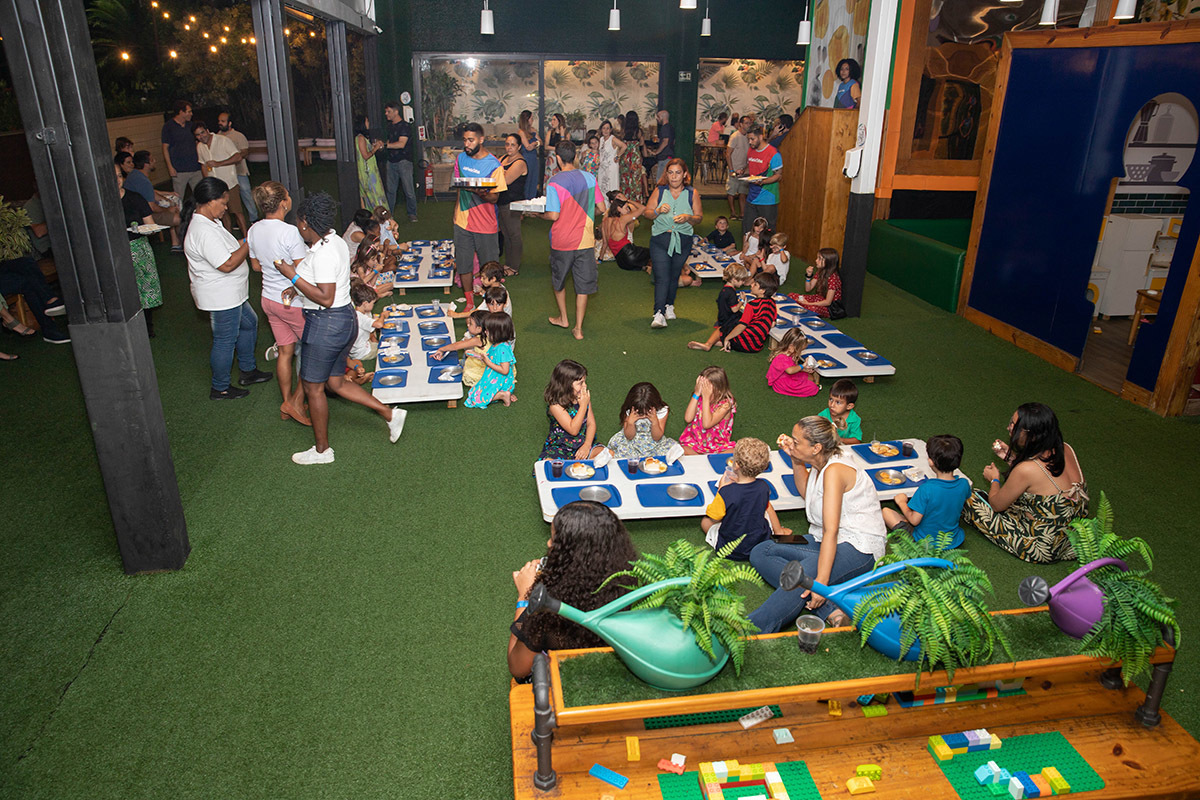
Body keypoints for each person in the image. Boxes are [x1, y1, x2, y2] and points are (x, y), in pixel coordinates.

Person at [272, 192, 407, 464]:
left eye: (299, 222)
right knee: (334, 382)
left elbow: (325, 296)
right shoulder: (332, 240)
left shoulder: (322, 252)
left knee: (312, 387)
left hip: (326, 323)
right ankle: (390, 414)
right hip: (344, 318)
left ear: (306, 223)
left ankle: (322, 451)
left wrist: (292, 275)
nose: (299, 227)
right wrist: (296, 286)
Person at [750, 415, 887, 631]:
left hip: (859, 547)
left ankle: (750, 628)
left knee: (802, 573)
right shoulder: (820, 461)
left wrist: (821, 581)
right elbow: (808, 493)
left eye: (796, 442)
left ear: (816, 448)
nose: (790, 444)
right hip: (821, 540)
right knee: (761, 549)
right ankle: (832, 609)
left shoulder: (835, 471)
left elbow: (831, 530)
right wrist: (796, 461)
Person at [508, 501, 637, 680]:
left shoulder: (548, 611)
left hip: (568, 683)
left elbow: (517, 668)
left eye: (554, 539)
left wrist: (524, 596)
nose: (548, 542)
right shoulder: (634, 583)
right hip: (613, 672)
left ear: (568, 554)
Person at [962, 403, 1088, 563]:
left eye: (1014, 425)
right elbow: (1041, 476)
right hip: (1072, 539)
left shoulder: (1026, 469)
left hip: (1042, 546)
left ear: (1032, 435)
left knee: (967, 495)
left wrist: (994, 479)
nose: (1008, 428)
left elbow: (996, 505)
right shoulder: (1065, 448)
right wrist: (1010, 457)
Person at [181, 177, 271, 399]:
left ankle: (248, 371)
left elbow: (229, 250)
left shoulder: (211, 223)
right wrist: (249, 242)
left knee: (249, 324)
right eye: (223, 203)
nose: (226, 208)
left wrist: (245, 241)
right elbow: (227, 264)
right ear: (210, 201)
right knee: (225, 340)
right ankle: (220, 387)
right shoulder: (202, 230)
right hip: (221, 295)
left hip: (232, 293)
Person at [247, 181, 312, 425]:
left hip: (268, 299)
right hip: (292, 301)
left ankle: (287, 403)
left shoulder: (253, 230)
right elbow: (301, 269)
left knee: (285, 352)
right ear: (284, 202)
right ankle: (296, 402)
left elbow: (255, 265)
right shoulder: (289, 231)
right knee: (311, 350)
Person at [541, 140, 606, 341]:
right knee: (583, 285)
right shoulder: (589, 178)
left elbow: (552, 215)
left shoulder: (554, 181)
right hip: (586, 240)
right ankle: (578, 328)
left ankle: (563, 318)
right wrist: (587, 213)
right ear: (575, 156)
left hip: (562, 241)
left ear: (558, 158)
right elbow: (602, 209)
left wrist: (537, 215)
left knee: (559, 281)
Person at [702, 437, 789, 561]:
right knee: (767, 507)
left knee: (705, 522)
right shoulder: (763, 487)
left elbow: (715, 517)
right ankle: (779, 530)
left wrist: (721, 489)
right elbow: (765, 506)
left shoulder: (726, 492)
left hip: (730, 549)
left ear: (736, 465)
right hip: (759, 543)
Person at [882, 434, 971, 550]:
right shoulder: (964, 484)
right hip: (952, 540)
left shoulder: (927, 488)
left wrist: (902, 502)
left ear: (931, 462)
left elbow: (914, 520)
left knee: (886, 512)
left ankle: (912, 547)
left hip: (924, 543)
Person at [453, 123, 507, 308]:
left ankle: (493, 305)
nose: (466, 144)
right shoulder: (460, 159)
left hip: (486, 224)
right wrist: (456, 215)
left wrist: (478, 191)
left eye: (471, 140)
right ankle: (469, 303)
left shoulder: (494, 164)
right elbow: (459, 187)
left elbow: (494, 198)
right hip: (463, 222)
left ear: (481, 140)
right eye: (465, 140)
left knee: (490, 268)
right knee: (464, 264)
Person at [644, 158, 702, 329]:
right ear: (666, 175)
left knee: (674, 275)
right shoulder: (659, 191)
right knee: (662, 277)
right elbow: (647, 213)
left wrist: (689, 218)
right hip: (660, 240)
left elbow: (699, 217)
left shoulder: (692, 193)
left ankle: (669, 305)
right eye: (671, 173)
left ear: (684, 175)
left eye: (678, 173)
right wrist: (657, 211)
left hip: (683, 240)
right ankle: (659, 313)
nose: (674, 177)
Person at [114, 163, 164, 337]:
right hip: (115, 253)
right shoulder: (100, 202)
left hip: (138, 247)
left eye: (120, 176)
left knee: (145, 289)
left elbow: (150, 224)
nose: (117, 180)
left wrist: (146, 229)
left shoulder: (134, 198)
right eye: (113, 177)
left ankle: (147, 327)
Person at [194, 121, 247, 234]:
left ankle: (248, 240)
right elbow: (203, 165)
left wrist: (219, 163)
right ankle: (228, 239)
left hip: (229, 183)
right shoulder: (200, 146)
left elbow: (238, 157)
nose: (201, 136)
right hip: (214, 187)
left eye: (202, 132)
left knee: (237, 212)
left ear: (207, 131)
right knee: (222, 214)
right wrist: (206, 182)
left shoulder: (223, 140)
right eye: (197, 135)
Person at [603, 382, 678, 459]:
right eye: (640, 412)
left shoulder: (662, 411)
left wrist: (655, 422)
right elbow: (629, 436)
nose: (643, 415)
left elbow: (657, 437)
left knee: (669, 454)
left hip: (654, 444)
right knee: (623, 456)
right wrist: (630, 422)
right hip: (631, 443)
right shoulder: (629, 410)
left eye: (647, 411)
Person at [539, 359, 597, 460]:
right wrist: (583, 406)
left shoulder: (583, 398)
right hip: (562, 446)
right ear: (566, 385)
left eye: (585, 381)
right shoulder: (555, 405)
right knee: (549, 464)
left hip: (583, 443)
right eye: (580, 383)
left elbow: (591, 423)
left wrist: (587, 445)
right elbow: (573, 430)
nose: (585, 386)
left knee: (609, 454)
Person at [125, 150, 182, 250]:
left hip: (133, 213)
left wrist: (167, 200)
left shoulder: (134, 175)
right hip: (142, 217)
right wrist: (168, 210)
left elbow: (151, 193)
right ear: (146, 164)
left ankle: (175, 242)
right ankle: (181, 243)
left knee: (172, 203)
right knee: (179, 218)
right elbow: (152, 207)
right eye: (152, 160)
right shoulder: (143, 181)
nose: (155, 161)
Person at [687, 263, 750, 352]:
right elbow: (735, 309)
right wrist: (742, 301)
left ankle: (713, 343)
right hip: (730, 318)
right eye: (742, 280)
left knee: (720, 331)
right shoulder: (731, 292)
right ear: (735, 279)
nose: (743, 283)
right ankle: (710, 344)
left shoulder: (725, 289)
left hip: (722, 316)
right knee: (743, 324)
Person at [679, 365, 736, 455]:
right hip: (696, 442)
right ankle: (704, 458)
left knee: (735, 453)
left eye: (706, 387)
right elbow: (688, 418)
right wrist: (696, 393)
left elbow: (706, 424)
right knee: (680, 451)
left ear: (719, 389)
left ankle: (705, 458)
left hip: (717, 445)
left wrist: (706, 397)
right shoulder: (699, 396)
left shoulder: (726, 404)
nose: (703, 390)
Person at [465, 311, 516, 408]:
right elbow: (492, 357)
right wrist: (477, 355)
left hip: (500, 380)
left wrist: (487, 362)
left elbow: (505, 371)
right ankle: (503, 393)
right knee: (473, 391)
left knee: (476, 400)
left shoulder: (502, 349)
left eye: (488, 331)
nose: (485, 332)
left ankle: (503, 395)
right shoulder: (498, 344)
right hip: (494, 377)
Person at [720, 271, 779, 354]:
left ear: (762, 291)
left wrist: (727, 338)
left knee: (727, 326)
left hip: (745, 344)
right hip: (758, 345)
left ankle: (714, 343)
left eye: (755, 284)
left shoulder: (752, 305)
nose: (751, 285)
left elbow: (742, 326)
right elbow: (772, 324)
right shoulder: (772, 302)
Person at [496, 133, 529, 277]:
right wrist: (500, 172)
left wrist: (499, 172)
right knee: (506, 234)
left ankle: (514, 267)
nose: (509, 147)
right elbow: (493, 172)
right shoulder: (503, 158)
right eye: (507, 144)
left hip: (513, 203)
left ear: (519, 146)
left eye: (513, 145)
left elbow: (506, 180)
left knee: (514, 235)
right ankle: (508, 263)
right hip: (501, 202)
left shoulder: (520, 162)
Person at [743, 124, 783, 242]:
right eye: (748, 139)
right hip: (751, 196)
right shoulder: (751, 150)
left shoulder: (773, 153)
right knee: (747, 228)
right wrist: (742, 171)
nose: (750, 142)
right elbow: (750, 168)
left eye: (752, 139)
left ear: (760, 137)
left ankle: (767, 257)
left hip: (768, 198)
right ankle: (746, 255)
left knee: (767, 232)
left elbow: (778, 176)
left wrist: (763, 181)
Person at [431, 308, 488, 388]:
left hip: (484, 368)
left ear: (479, 328)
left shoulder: (478, 339)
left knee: (467, 373)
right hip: (487, 363)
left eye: (470, 324)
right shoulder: (488, 335)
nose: (468, 325)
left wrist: (441, 349)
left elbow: (457, 345)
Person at [217, 111, 257, 223]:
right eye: (219, 121)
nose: (220, 123)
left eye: (223, 121)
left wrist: (234, 157)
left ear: (229, 123)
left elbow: (245, 152)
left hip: (240, 171)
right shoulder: (216, 137)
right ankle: (235, 221)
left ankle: (254, 218)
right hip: (224, 174)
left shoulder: (238, 136)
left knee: (246, 194)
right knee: (228, 198)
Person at [383, 101, 418, 222]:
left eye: (389, 112)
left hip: (404, 161)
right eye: (386, 112)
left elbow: (401, 144)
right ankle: (389, 215)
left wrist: (385, 145)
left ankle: (412, 213)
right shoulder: (390, 126)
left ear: (396, 112)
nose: (386, 114)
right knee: (390, 191)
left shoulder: (405, 126)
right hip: (391, 161)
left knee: (409, 190)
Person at [161, 99, 202, 200]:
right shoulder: (168, 127)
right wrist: (170, 167)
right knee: (179, 198)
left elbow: (198, 143)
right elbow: (165, 148)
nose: (191, 114)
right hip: (179, 170)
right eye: (188, 112)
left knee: (200, 195)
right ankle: (180, 215)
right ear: (181, 112)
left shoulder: (191, 125)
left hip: (195, 168)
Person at [602, 191, 650, 273]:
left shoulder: (606, 220)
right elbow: (643, 208)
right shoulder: (623, 219)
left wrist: (600, 259)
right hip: (630, 255)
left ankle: (645, 267)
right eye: (626, 208)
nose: (628, 210)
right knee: (654, 252)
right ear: (619, 208)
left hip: (622, 263)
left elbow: (605, 242)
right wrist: (628, 200)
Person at [766, 328, 820, 398]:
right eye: (799, 350)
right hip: (782, 382)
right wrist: (803, 365)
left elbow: (792, 367)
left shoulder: (789, 353)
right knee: (813, 387)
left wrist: (803, 369)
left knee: (810, 377)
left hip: (788, 376)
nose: (799, 352)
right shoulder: (781, 357)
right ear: (791, 346)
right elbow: (790, 370)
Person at [346, 278, 380, 385]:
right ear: (365, 303)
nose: (373, 306)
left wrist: (356, 367)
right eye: (373, 303)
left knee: (357, 364)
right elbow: (379, 325)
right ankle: (355, 381)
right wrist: (383, 316)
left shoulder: (357, 312)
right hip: (363, 351)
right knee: (387, 348)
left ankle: (355, 380)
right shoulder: (359, 316)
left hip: (356, 352)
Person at [795, 247, 842, 317]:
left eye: (820, 259)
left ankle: (804, 306)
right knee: (792, 296)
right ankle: (803, 306)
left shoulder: (833, 278)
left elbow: (828, 302)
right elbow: (808, 289)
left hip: (829, 307)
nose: (816, 260)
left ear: (828, 262)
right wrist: (808, 276)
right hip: (819, 298)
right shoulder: (820, 271)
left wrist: (808, 304)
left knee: (812, 308)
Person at [354, 114, 388, 212]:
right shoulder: (360, 138)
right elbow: (365, 155)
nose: (369, 123)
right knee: (374, 194)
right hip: (367, 172)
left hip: (367, 171)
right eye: (367, 121)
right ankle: (380, 215)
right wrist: (376, 148)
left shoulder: (362, 138)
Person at [618, 111, 648, 204]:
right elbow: (642, 143)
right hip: (635, 156)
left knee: (625, 178)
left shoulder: (624, 130)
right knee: (635, 179)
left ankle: (625, 199)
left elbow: (620, 142)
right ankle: (636, 200)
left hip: (625, 156)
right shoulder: (638, 131)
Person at [820, 379, 862, 443]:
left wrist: (840, 440)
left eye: (838, 402)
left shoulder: (854, 419)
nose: (832, 405)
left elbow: (857, 440)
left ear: (849, 406)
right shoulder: (823, 415)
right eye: (831, 399)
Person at [725, 115, 751, 219]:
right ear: (741, 124)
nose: (749, 125)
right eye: (747, 123)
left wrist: (746, 168)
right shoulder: (735, 136)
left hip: (744, 169)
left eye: (750, 123)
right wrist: (731, 169)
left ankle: (742, 214)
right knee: (731, 191)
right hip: (734, 168)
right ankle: (733, 212)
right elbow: (728, 154)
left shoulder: (749, 137)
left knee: (742, 192)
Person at [596, 119, 626, 198]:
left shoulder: (612, 139)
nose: (605, 130)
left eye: (607, 128)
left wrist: (618, 156)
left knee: (611, 186)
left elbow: (624, 146)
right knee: (602, 187)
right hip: (602, 167)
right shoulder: (601, 139)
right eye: (604, 128)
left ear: (610, 130)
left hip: (611, 167)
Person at [516, 110, 542, 200]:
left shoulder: (533, 130)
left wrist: (535, 143)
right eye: (531, 118)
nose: (532, 120)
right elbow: (528, 147)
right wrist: (536, 143)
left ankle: (532, 199)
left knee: (534, 180)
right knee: (527, 180)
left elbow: (540, 142)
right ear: (527, 119)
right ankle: (525, 199)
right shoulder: (521, 132)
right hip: (526, 158)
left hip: (534, 158)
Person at [650, 109, 675, 182]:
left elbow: (665, 141)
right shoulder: (670, 128)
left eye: (658, 116)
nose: (657, 119)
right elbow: (671, 141)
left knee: (660, 180)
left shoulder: (665, 128)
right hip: (669, 155)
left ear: (662, 117)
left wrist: (656, 152)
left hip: (664, 156)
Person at [545, 113, 566, 182]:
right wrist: (556, 148)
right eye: (552, 120)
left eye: (554, 120)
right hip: (552, 157)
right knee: (550, 176)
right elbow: (546, 146)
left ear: (559, 121)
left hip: (561, 157)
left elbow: (564, 146)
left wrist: (562, 135)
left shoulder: (566, 134)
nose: (552, 122)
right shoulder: (550, 132)